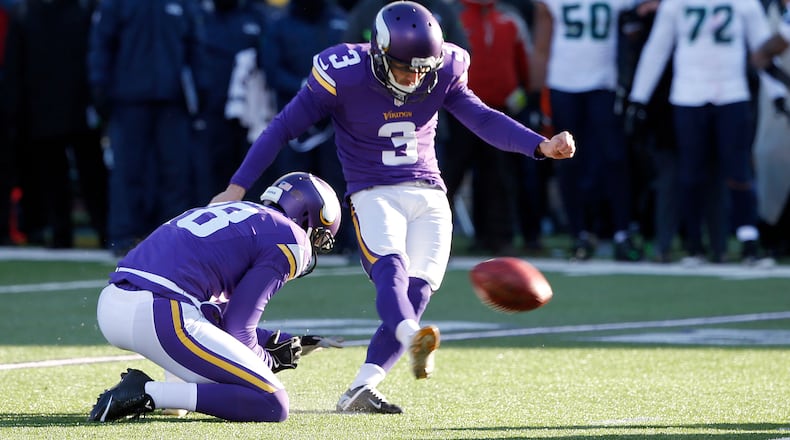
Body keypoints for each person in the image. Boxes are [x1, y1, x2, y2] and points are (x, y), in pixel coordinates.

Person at [211, 1, 576, 414]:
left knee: (419, 289)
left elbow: (482, 118)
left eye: (424, 69)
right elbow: (282, 127)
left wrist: (539, 145)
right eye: (406, 68)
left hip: (430, 190)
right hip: (373, 190)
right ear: (380, 51)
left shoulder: (448, 66)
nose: (415, 77)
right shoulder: (344, 70)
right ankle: (412, 336)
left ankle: (362, 387)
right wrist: (237, 187)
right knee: (392, 271)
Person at [88, 172, 344, 423]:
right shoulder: (291, 237)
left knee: (224, 378)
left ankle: (172, 394)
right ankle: (148, 392)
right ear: (307, 217)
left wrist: (278, 341)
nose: (315, 247)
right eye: (320, 236)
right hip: (163, 312)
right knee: (272, 402)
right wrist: (269, 359)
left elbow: (215, 316)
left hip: (119, 303)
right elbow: (238, 327)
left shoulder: (240, 213)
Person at [628, 0, 771, 264]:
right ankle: (694, 243)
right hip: (688, 94)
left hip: (732, 92)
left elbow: (762, 50)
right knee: (691, 172)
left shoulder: (744, 3)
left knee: (738, 169)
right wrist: (639, 98)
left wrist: (778, 92)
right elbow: (657, 49)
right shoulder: (676, 4)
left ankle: (749, 240)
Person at [88, 0, 204, 256]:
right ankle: (123, 236)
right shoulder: (116, 4)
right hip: (128, 99)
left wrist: (200, 88)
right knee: (128, 170)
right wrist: (99, 85)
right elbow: (102, 43)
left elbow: (195, 46)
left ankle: (175, 237)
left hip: (172, 100)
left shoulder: (184, 4)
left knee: (175, 171)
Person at [533, 0, 645, 261]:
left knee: (614, 158)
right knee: (567, 160)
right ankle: (579, 233)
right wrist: (536, 93)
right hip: (562, 84)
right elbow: (541, 45)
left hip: (603, 84)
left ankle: (622, 231)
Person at [3, 0, 108, 249]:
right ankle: (63, 232)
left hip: (73, 107)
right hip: (48, 108)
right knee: (55, 176)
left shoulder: (83, 10)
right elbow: (14, 66)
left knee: (88, 174)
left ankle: (98, 229)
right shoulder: (26, 13)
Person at [453, 0, 545, 254]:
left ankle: (497, 237)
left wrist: (523, 97)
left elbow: (523, 63)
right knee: (448, 175)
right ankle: (434, 239)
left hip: (499, 112)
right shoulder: (452, 16)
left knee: (499, 178)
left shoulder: (510, 19)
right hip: (459, 110)